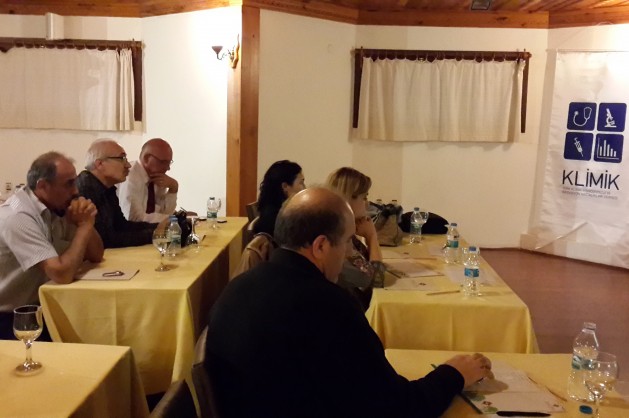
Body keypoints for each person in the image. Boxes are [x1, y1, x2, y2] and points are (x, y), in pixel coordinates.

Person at [205, 187, 492, 418]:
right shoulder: (327, 305)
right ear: (321, 246)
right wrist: (454, 374)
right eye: (345, 242)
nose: (345, 254)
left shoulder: (237, 287)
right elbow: (397, 408)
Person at [0, 152, 104, 340]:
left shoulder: (57, 206)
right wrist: (84, 227)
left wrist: (86, 223)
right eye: (69, 184)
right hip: (11, 318)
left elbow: (96, 255)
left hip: (45, 307)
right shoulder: (18, 217)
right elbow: (61, 274)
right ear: (42, 186)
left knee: (99, 330)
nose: (76, 191)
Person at [77, 139, 159, 248]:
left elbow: (121, 226)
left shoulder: (107, 188)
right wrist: (156, 234)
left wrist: (159, 228)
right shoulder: (86, 188)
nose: (128, 165)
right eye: (122, 159)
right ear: (100, 164)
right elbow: (106, 240)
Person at [327, 167, 383, 310]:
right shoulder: (338, 239)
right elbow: (377, 280)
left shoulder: (347, 233)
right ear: (349, 199)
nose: (367, 203)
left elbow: (367, 265)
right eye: (364, 197)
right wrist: (372, 237)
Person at [118, 138, 178, 223]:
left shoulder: (157, 177)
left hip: (151, 230)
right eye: (163, 162)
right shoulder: (130, 175)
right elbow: (133, 218)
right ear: (146, 158)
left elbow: (164, 213)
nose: (168, 168)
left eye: (169, 163)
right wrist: (174, 219)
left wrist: (173, 188)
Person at [252, 160, 305, 236]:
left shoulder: (276, 210)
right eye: (301, 182)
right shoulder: (278, 218)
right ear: (285, 186)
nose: (304, 188)